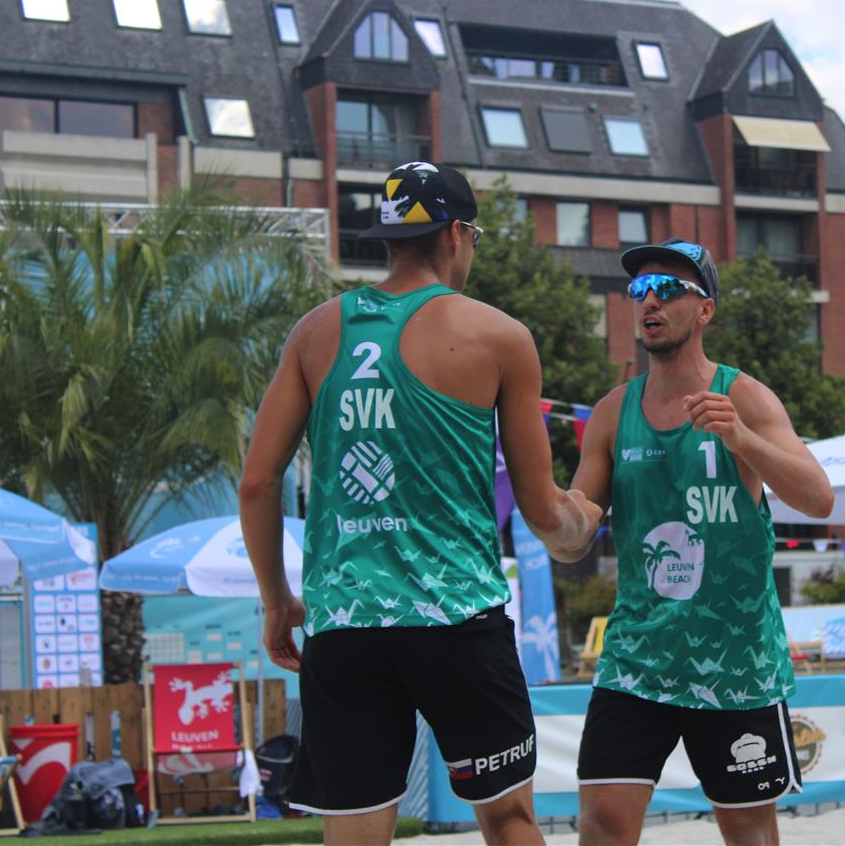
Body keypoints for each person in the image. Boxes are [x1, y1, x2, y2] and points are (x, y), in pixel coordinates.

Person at [238, 161, 602, 846]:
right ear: (458, 234)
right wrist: (582, 520)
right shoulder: (499, 336)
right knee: (509, 819)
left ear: (390, 238)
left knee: (354, 834)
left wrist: (276, 601)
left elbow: (257, 483)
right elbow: (541, 511)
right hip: (456, 618)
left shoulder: (315, 332)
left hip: (345, 624)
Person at [557, 239, 835, 845]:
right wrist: (551, 512)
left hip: (736, 662)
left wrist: (742, 440)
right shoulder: (612, 412)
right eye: (639, 290)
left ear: (705, 309)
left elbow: (819, 498)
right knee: (602, 824)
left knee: (749, 832)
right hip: (637, 659)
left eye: (668, 289)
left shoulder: (745, 397)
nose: (649, 301)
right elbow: (572, 539)